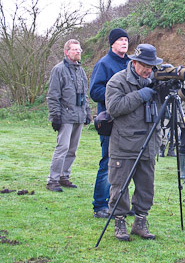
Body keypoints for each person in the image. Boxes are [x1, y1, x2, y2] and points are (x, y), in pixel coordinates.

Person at [105, 43, 163, 241]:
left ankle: (140, 222)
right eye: (145, 65)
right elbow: (114, 107)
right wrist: (139, 95)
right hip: (124, 144)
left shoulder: (154, 80)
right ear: (134, 62)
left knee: (146, 187)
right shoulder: (117, 81)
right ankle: (119, 222)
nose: (148, 70)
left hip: (149, 143)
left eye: (151, 66)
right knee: (119, 186)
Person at [89, 28, 130, 218]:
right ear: (112, 43)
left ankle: (120, 204)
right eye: (120, 39)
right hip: (110, 120)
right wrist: (116, 96)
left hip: (131, 122)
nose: (124, 42)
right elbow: (95, 91)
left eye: (126, 40)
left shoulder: (132, 64)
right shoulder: (103, 64)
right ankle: (100, 205)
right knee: (108, 162)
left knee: (128, 164)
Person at [46, 39, 91, 192]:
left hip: (78, 116)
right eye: (75, 50)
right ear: (66, 52)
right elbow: (53, 95)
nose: (78, 52)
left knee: (72, 150)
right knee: (62, 148)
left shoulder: (81, 71)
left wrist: (87, 113)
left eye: (79, 49)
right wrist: (55, 116)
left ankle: (64, 176)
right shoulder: (58, 70)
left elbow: (85, 94)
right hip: (65, 117)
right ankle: (52, 180)